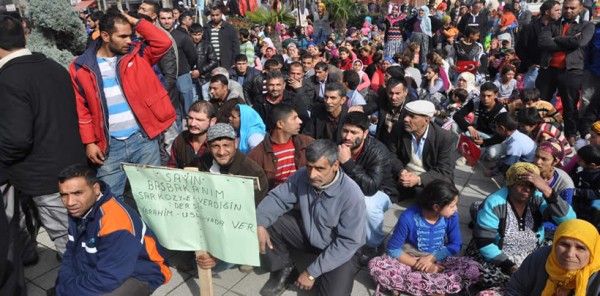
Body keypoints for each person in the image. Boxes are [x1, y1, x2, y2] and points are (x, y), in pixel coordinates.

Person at [0, 14, 87, 260]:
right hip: (70, 165)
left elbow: (16, 139)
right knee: (76, 234)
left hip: (45, 177)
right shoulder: (53, 66)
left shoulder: (8, 79)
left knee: (68, 243)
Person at [69, 10, 176, 198]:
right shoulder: (80, 67)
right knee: (110, 199)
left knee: (153, 196)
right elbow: (81, 109)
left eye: (131, 35)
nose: (129, 40)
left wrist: (135, 21)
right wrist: (89, 142)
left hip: (143, 139)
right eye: (123, 36)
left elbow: (164, 42)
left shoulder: (137, 55)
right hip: (109, 146)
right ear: (105, 36)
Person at [255, 139, 366, 296]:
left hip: (342, 249)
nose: (312, 175)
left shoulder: (352, 195)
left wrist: (311, 272)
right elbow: (278, 199)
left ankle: (323, 270)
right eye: (309, 167)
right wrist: (260, 223)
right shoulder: (302, 176)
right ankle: (284, 269)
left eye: (320, 168)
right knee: (270, 221)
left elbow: (348, 242)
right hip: (311, 235)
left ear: (335, 165)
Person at [55, 164, 171, 295]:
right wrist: (64, 283)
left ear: (96, 189)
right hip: (106, 265)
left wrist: (67, 289)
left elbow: (107, 278)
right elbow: (71, 251)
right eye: (64, 195)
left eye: (78, 193)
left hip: (142, 272)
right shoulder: (79, 209)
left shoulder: (115, 222)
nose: (70, 202)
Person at [468, 162, 576, 292]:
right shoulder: (494, 203)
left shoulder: (538, 199)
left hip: (531, 254)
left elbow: (570, 221)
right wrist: (510, 266)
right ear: (511, 183)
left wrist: (547, 191)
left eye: (532, 186)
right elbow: (485, 242)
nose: (527, 190)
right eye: (522, 184)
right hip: (499, 258)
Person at [369, 180, 482, 296]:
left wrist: (431, 258)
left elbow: (456, 244)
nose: (456, 209)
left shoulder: (451, 216)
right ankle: (435, 288)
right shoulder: (408, 218)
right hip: (409, 259)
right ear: (436, 207)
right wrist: (423, 267)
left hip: (439, 259)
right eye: (452, 206)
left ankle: (405, 285)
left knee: (474, 268)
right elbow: (393, 249)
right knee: (376, 265)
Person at [337, 112, 396, 258]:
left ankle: (374, 245)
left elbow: (370, 188)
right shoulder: (339, 144)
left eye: (354, 132)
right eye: (345, 131)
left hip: (380, 191)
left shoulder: (378, 151)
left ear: (365, 133)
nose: (347, 137)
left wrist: (348, 163)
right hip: (349, 187)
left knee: (367, 205)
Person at [537, 0, 595, 145]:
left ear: (580, 8)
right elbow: (543, 42)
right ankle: (537, 131)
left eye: (572, 8)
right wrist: (569, 41)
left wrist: (555, 40)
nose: (568, 11)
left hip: (572, 71)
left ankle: (571, 136)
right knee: (540, 103)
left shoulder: (587, 26)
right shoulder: (552, 24)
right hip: (548, 69)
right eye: (566, 7)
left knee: (570, 106)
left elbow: (580, 42)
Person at [507, 219, 600, 295]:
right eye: (564, 245)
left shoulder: (597, 276)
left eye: (580, 248)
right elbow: (516, 289)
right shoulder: (539, 258)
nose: (570, 254)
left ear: (592, 252)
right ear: (555, 244)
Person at [388, 100, 454, 200]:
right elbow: (391, 154)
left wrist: (419, 179)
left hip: (429, 176)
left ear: (426, 121)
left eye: (412, 116)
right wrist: (400, 171)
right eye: (406, 115)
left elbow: (444, 169)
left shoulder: (444, 137)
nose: (406, 119)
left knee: (443, 195)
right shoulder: (398, 128)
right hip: (404, 174)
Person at [196, 123, 268, 204]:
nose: (221, 152)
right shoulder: (203, 163)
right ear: (208, 147)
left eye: (226, 145)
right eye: (215, 146)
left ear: (236, 143)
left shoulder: (253, 173)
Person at [248, 105, 314, 189]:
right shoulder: (258, 154)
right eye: (294, 118)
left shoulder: (307, 142)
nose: (300, 121)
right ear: (280, 124)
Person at [453, 82, 508, 165]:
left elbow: (502, 136)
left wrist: (484, 142)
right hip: (475, 132)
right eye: (483, 95)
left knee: (493, 154)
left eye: (489, 96)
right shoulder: (475, 102)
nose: (485, 99)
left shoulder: (501, 111)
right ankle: (466, 150)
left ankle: (476, 152)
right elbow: (457, 115)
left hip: (491, 136)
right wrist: (469, 127)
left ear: (496, 95)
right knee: (454, 126)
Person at [158, 8, 198, 118]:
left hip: (182, 75)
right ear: (158, 19)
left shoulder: (182, 37)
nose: (166, 21)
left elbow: (193, 56)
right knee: (174, 111)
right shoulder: (156, 37)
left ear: (174, 19)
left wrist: (185, 68)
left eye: (169, 18)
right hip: (165, 78)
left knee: (188, 109)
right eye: (163, 18)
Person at [515, 0, 561, 89]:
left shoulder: (559, 28)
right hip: (534, 70)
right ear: (547, 12)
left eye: (560, 10)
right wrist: (530, 64)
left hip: (553, 69)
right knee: (531, 98)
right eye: (556, 10)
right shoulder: (530, 28)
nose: (559, 12)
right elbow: (520, 48)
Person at [168, 101, 216, 168]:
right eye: (190, 118)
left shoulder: (217, 142)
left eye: (199, 120)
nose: (192, 124)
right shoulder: (181, 139)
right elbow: (172, 166)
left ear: (212, 121)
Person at [203, 5, 240, 69]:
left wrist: (234, 62)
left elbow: (236, 47)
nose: (215, 17)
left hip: (226, 63)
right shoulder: (206, 28)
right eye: (213, 15)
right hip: (210, 63)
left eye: (217, 15)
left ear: (221, 14)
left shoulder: (229, 28)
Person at [572, 145, 600, 227]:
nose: (577, 161)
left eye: (580, 160)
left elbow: (597, 193)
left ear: (592, 165)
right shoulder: (580, 167)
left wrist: (577, 192)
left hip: (592, 204)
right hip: (580, 201)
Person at [189, 23, 218, 97]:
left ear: (202, 33)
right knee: (194, 99)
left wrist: (200, 71)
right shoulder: (187, 45)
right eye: (195, 34)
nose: (197, 37)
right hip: (190, 77)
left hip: (205, 78)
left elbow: (214, 61)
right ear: (190, 33)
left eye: (199, 34)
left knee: (206, 98)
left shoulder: (207, 45)